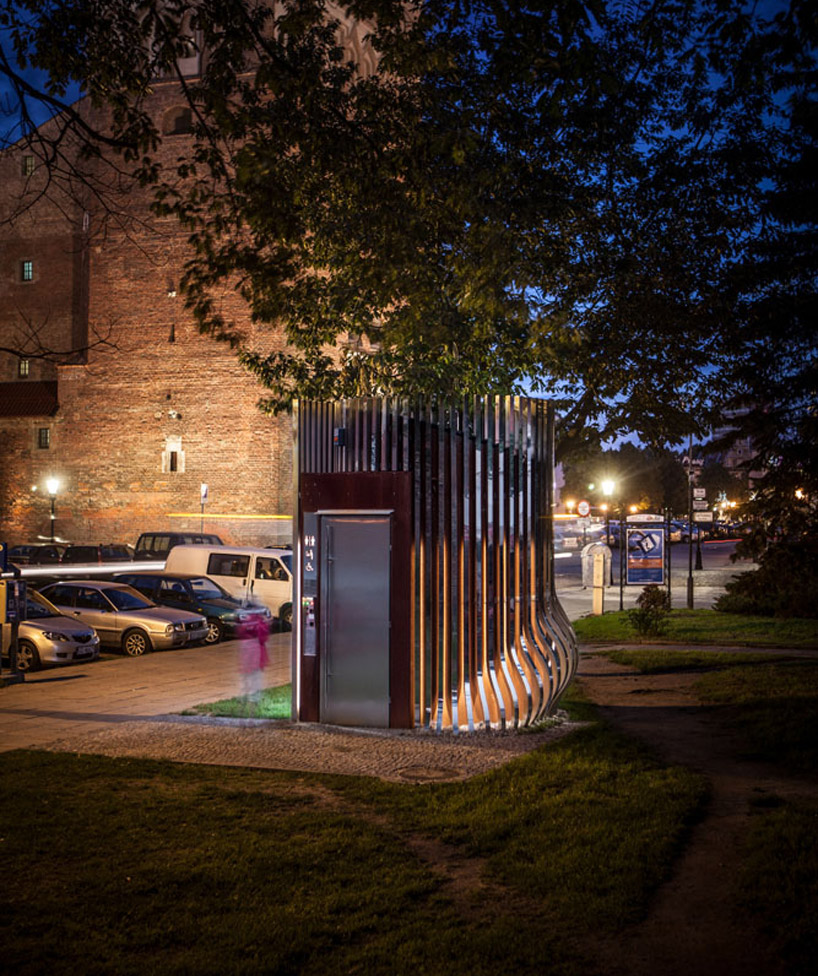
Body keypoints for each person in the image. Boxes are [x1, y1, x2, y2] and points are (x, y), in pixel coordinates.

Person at [238, 611, 270, 704]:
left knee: (246, 675)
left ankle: (244, 695)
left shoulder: (245, 621)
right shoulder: (260, 622)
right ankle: (254, 697)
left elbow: (241, 632)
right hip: (257, 651)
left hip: (246, 651)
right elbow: (263, 637)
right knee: (256, 676)